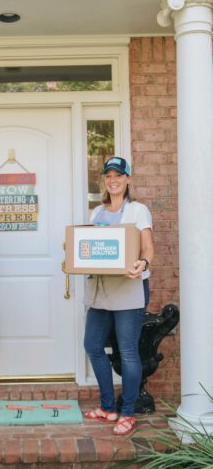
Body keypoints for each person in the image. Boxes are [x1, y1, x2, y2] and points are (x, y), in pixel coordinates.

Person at [84, 156, 154, 436]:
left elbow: (148, 248)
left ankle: (127, 413)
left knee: (127, 351)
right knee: (92, 345)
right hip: (101, 287)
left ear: (128, 179)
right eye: (108, 175)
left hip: (129, 285)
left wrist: (143, 264)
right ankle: (108, 407)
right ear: (104, 180)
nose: (113, 180)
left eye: (118, 175)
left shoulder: (138, 210)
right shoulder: (96, 213)